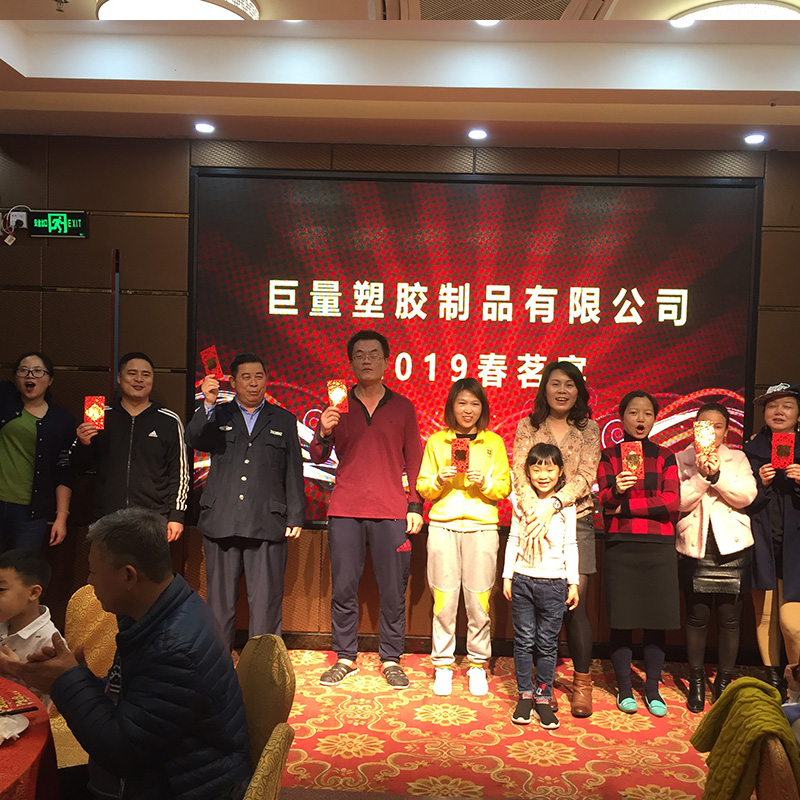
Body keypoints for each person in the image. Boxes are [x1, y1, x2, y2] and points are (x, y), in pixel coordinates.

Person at [1, 507, 251, 800]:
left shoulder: (173, 648)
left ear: (129, 576)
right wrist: (77, 677)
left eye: (93, 571)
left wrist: (66, 683)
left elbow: (120, 753)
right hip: (170, 769)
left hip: (182, 786)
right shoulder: (164, 610)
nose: (89, 581)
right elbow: (136, 702)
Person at [309, 330, 423, 690]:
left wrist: (415, 504)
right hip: (345, 508)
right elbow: (317, 456)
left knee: (393, 591)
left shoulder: (403, 406)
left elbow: (415, 458)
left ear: (387, 362)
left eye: (374, 354)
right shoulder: (338, 406)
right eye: (359, 355)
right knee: (343, 587)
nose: (367, 360)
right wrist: (323, 430)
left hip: (392, 511)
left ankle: (391, 658)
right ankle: (345, 656)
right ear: (351, 363)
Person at [186, 352, 304, 645]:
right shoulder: (218, 414)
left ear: (267, 380)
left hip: (267, 520)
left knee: (266, 604)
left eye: (259, 377)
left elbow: (293, 470)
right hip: (222, 519)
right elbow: (195, 439)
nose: (253, 383)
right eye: (246, 377)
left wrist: (295, 515)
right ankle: (218, 662)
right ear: (233, 382)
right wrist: (208, 404)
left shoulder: (284, 419)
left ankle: (262, 665)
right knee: (219, 604)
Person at [511, 360, 600, 716]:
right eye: (555, 384)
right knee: (532, 614)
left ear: (578, 390)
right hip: (532, 520)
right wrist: (536, 511)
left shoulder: (589, 428)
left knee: (572, 606)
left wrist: (554, 505)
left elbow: (586, 475)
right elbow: (519, 472)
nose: (562, 391)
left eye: (569, 384)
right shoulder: (528, 426)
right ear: (544, 388)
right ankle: (537, 687)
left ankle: (581, 683)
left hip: (576, 520)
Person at [416, 378, 511, 697]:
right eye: (462, 403)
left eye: (474, 404)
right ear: (451, 407)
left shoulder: (493, 442)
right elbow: (423, 487)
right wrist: (438, 480)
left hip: (482, 528)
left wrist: (484, 482)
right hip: (443, 526)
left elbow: (504, 488)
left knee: (478, 601)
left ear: (482, 408)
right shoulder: (436, 442)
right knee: (443, 600)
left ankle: (477, 665)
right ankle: (443, 665)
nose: (468, 410)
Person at [597, 390, 680, 717]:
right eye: (633, 412)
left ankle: (653, 689)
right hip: (621, 544)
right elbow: (605, 501)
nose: (640, 419)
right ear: (621, 418)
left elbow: (671, 502)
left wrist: (625, 507)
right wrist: (617, 490)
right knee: (622, 620)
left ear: (655, 418)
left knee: (656, 622)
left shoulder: (665, 456)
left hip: (659, 546)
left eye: (647, 413)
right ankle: (624, 689)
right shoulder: (609, 456)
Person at [676, 402, 757, 712]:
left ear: (726, 431)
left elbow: (746, 496)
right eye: (704, 426)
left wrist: (718, 475)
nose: (711, 432)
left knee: (729, 620)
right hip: (695, 546)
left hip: (733, 548)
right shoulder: (681, 458)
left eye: (718, 426)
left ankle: (723, 681)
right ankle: (697, 680)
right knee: (696, 618)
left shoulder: (738, 458)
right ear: (695, 429)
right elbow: (679, 502)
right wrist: (701, 476)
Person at [72, 352, 189, 542]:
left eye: (146, 374)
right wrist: (83, 443)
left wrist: (177, 515)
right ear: (119, 378)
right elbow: (79, 465)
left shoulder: (168, 420)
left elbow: (179, 471)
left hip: (152, 517)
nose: (139, 379)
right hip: (107, 516)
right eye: (132, 373)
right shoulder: (99, 415)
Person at [503, 443, 579, 730]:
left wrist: (573, 582)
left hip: (555, 584)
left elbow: (571, 545)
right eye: (536, 469)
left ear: (560, 472)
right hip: (523, 580)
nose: (543, 475)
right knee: (523, 642)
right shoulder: (520, 501)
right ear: (528, 472)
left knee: (547, 645)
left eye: (549, 469)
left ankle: (543, 697)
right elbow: (513, 538)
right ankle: (524, 695)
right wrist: (507, 575)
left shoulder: (566, 506)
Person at [743, 382, 800, 700]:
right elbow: (740, 502)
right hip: (762, 542)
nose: (779, 411)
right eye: (772, 405)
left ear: (798, 414)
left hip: (796, 547)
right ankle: (773, 681)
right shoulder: (750, 451)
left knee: (793, 621)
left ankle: (796, 681)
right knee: (764, 616)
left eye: (787, 406)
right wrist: (761, 486)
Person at [0, 352, 74, 552]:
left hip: (30, 512)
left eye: (38, 371)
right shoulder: (4, 401)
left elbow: (64, 471)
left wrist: (61, 517)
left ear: (50, 380)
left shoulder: (62, 420)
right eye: (23, 371)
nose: (30, 375)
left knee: (21, 567)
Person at [0, 549, 59, 708]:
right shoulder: (3, 622)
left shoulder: (49, 641)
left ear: (33, 593)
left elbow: (51, 700)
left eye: (1, 590)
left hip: (24, 715)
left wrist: (16, 669)